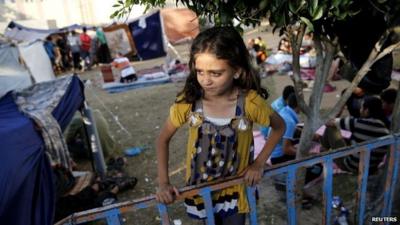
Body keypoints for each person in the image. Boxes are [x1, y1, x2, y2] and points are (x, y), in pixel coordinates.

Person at [155, 27, 285, 224]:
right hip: (201, 192)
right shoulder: (188, 102)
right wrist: (164, 183)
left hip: (236, 190)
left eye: (216, 73)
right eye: (200, 71)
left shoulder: (249, 102)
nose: (206, 81)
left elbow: (279, 127)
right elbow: (162, 140)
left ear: (237, 71)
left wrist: (258, 163)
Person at [322, 96, 390, 174]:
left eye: (361, 108)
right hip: (370, 169)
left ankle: (323, 149)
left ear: (366, 110)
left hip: (352, 166)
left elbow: (329, 122)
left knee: (331, 129)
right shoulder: (385, 128)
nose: (360, 110)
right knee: (349, 137)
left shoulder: (359, 123)